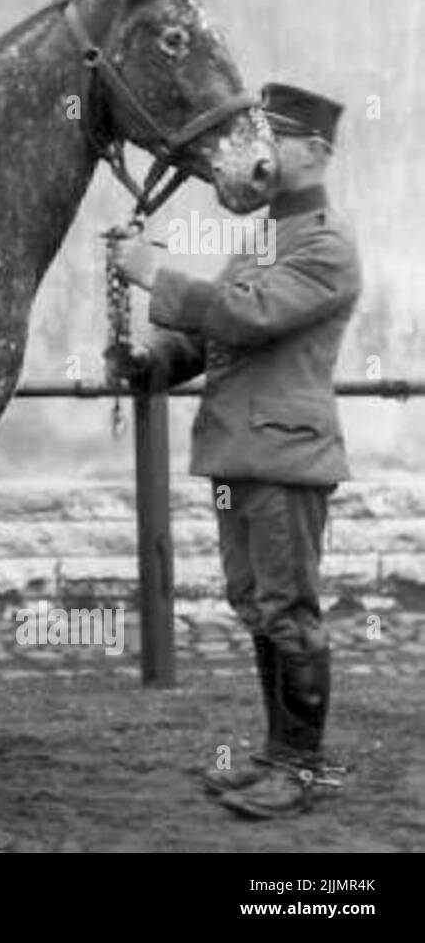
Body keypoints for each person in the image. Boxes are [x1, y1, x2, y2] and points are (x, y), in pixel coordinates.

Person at [108, 83, 362, 819]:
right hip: (236, 454)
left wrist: (156, 273)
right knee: (256, 605)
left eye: (275, 139)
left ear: (315, 153)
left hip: (285, 459)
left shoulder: (326, 244)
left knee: (289, 611)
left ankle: (303, 769)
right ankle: (277, 757)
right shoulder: (266, 239)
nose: (261, 152)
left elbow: (250, 316)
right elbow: (209, 333)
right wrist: (149, 360)